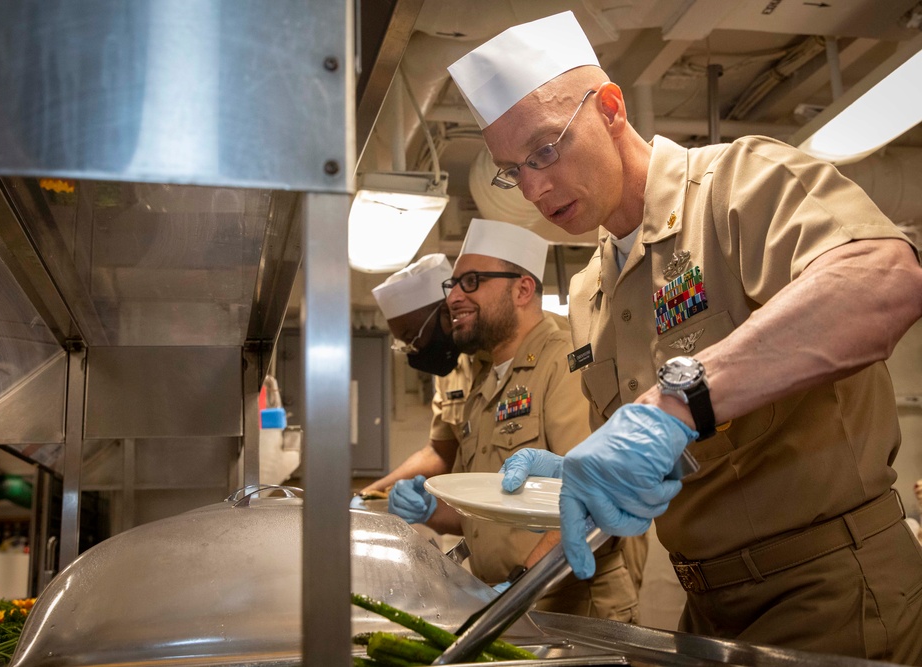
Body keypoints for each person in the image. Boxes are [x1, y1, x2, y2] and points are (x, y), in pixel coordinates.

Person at [446, 10, 922, 662]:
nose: (533, 186)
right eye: (512, 170)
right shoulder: (591, 292)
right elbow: (671, 454)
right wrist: (582, 480)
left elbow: (884, 280)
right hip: (705, 601)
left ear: (611, 108)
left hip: (831, 585)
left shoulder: (736, 185)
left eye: (546, 149)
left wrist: (675, 402)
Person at [385, 218, 646, 621]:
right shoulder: (485, 380)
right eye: (452, 285)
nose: (453, 297)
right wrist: (431, 511)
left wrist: (522, 584)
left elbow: (591, 502)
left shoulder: (564, 363)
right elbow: (496, 512)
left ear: (523, 289)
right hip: (511, 603)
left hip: (570, 607)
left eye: (471, 281)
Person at [357, 253, 476, 504]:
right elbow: (440, 452)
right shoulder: (454, 369)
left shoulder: (521, 353)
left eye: (411, 337)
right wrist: (369, 494)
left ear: (447, 313)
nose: (413, 350)